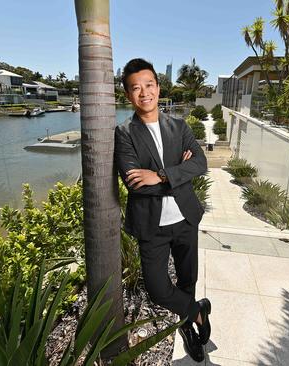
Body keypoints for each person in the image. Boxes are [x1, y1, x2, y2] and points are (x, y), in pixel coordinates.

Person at [114, 58, 211, 362]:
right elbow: (135, 185)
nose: (144, 92)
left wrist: (162, 175)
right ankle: (197, 312)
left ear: (158, 86)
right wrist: (179, 172)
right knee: (158, 289)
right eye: (136, 88)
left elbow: (200, 164)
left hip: (185, 218)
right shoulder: (125, 132)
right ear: (128, 95)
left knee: (187, 280)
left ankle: (190, 333)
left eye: (149, 85)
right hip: (151, 226)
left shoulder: (179, 126)